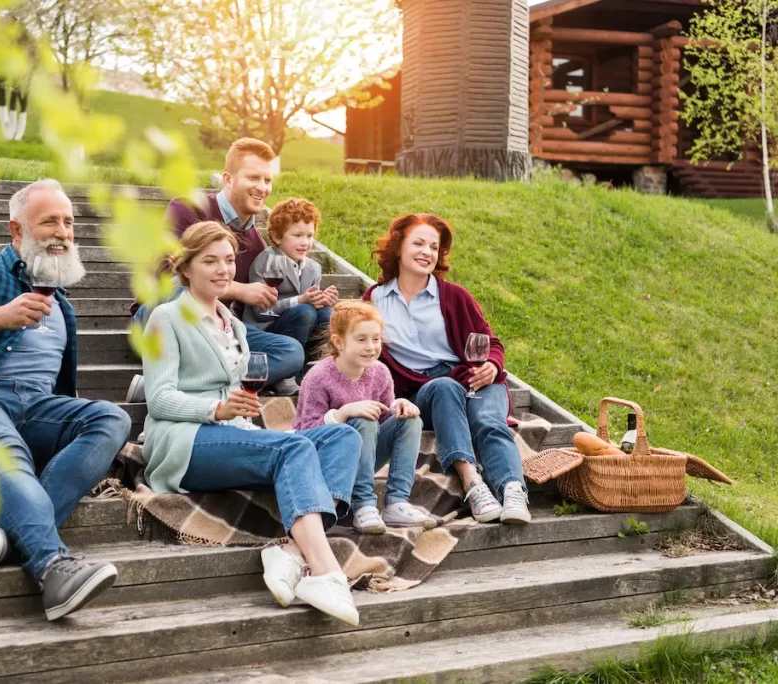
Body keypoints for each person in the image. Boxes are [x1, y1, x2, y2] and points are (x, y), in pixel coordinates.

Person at [0, 179, 132, 621]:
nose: (63, 231)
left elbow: (59, 393)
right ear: (17, 231)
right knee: (8, 452)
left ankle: (3, 533)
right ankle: (54, 568)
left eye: (69, 222)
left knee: (111, 419)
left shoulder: (64, 306)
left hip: (37, 409)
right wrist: (2, 316)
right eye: (49, 221)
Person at [141, 220, 362, 626]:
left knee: (342, 438)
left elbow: (237, 390)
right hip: (185, 440)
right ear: (187, 268)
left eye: (228, 260)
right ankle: (329, 572)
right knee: (294, 447)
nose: (224, 269)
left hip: (235, 435)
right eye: (211, 261)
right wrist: (216, 409)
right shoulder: (166, 318)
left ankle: (292, 551)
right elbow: (158, 398)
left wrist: (236, 412)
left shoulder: (236, 326)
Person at [363, 214, 530, 525]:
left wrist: (492, 366)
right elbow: (364, 354)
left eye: (434, 247)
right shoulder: (374, 299)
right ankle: (473, 485)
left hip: (475, 378)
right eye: (419, 243)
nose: (428, 252)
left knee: (488, 421)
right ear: (398, 247)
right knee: (443, 386)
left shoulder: (454, 295)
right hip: (426, 391)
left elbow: (490, 342)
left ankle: (512, 491)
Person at [126, 138, 303, 403]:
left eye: (267, 180)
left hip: (216, 331)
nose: (262, 187)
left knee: (291, 351)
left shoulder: (257, 244)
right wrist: (241, 290)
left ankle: (195, 390)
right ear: (228, 179)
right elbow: (167, 272)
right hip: (159, 319)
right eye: (253, 177)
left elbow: (246, 316)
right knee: (178, 286)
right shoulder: (187, 208)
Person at [293, 301, 434, 534]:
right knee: (362, 420)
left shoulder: (379, 372)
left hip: (364, 457)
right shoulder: (318, 377)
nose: (370, 347)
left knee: (410, 420)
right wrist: (343, 413)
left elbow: (382, 418)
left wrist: (397, 405)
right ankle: (363, 505)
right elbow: (306, 432)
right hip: (326, 462)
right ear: (339, 342)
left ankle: (396, 502)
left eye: (376, 339)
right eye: (361, 340)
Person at [243, 198, 338, 367]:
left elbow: (311, 302)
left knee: (326, 314)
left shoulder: (313, 268)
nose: (305, 242)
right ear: (277, 237)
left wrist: (322, 300)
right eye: (297, 235)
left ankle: (315, 367)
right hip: (267, 329)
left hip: (301, 326)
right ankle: (289, 371)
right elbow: (260, 310)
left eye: (309, 236)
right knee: (304, 311)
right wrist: (300, 300)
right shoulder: (268, 260)